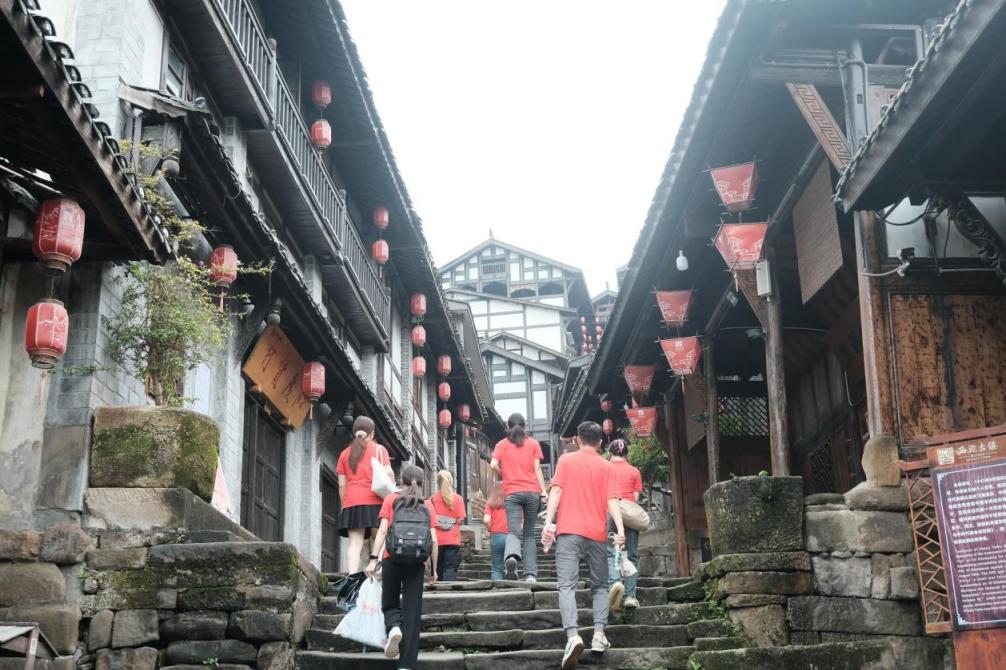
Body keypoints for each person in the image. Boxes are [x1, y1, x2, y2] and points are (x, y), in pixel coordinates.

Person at [542, 421, 625, 670]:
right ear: (600, 443)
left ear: (577, 439)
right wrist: (620, 531)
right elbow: (612, 501)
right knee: (600, 586)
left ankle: (573, 636)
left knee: (566, 585)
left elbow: (556, 492)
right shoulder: (607, 466)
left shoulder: (566, 461)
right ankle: (598, 634)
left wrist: (548, 522)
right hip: (597, 535)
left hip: (568, 532)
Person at [366, 464, 438, 670]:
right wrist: (433, 570)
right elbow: (434, 540)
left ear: (401, 480)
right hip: (417, 562)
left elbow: (382, 532)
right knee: (412, 612)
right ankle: (406, 664)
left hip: (392, 558)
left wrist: (373, 559)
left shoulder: (391, 499)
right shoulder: (427, 505)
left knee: (389, 602)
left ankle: (394, 627)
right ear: (422, 483)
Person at [491, 413, 548, 582]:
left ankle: (511, 557)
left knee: (514, 531)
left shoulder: (501, 444)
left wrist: (504, 473)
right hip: (532, 492)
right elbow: (537, 469)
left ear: (508, 427)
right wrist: (543, 491)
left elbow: (493, 465)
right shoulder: (534, 443)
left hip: (512, 493)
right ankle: (530, 574)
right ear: (525, 426)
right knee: (529, 534)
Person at [337, 416, 395, 574]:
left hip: (352, 502)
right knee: (379, 539)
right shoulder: (379, 450)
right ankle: (377, 573)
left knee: (354, 545)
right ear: (372, 432)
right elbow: (389, 472)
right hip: (376, 501)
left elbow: (342, 484)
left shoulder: (344, 454)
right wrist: (392, 490)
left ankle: (352, 577)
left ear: (354, 432)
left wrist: (345, 504)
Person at [605, 439, 643, 611]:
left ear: (610, 453)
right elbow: (635, 498)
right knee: (631, 555)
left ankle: (615, 584)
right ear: (626, 453)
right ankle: (630, 596)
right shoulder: (634, 471)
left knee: (611, 553)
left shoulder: (605, 468)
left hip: (609, 514)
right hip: (629, 515)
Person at [430, 470, 467, 581]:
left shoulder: (431, 500)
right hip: (452, 540)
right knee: (450, 569)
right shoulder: (458, 499)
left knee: (437, 570)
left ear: (437, 482)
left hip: (436, 541)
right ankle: (448, 589)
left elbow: (429, 520)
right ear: (451, 481)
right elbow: (460, 520)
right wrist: (451, 521)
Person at [482, 483, 509, 580]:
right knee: (511, 564)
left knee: (497, 568)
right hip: (511, 536)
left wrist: (490, 529)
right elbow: (521, 522)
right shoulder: (512, 502)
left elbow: (486, 520)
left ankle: (497, 587)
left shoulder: (490, 504)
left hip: (497, 536)